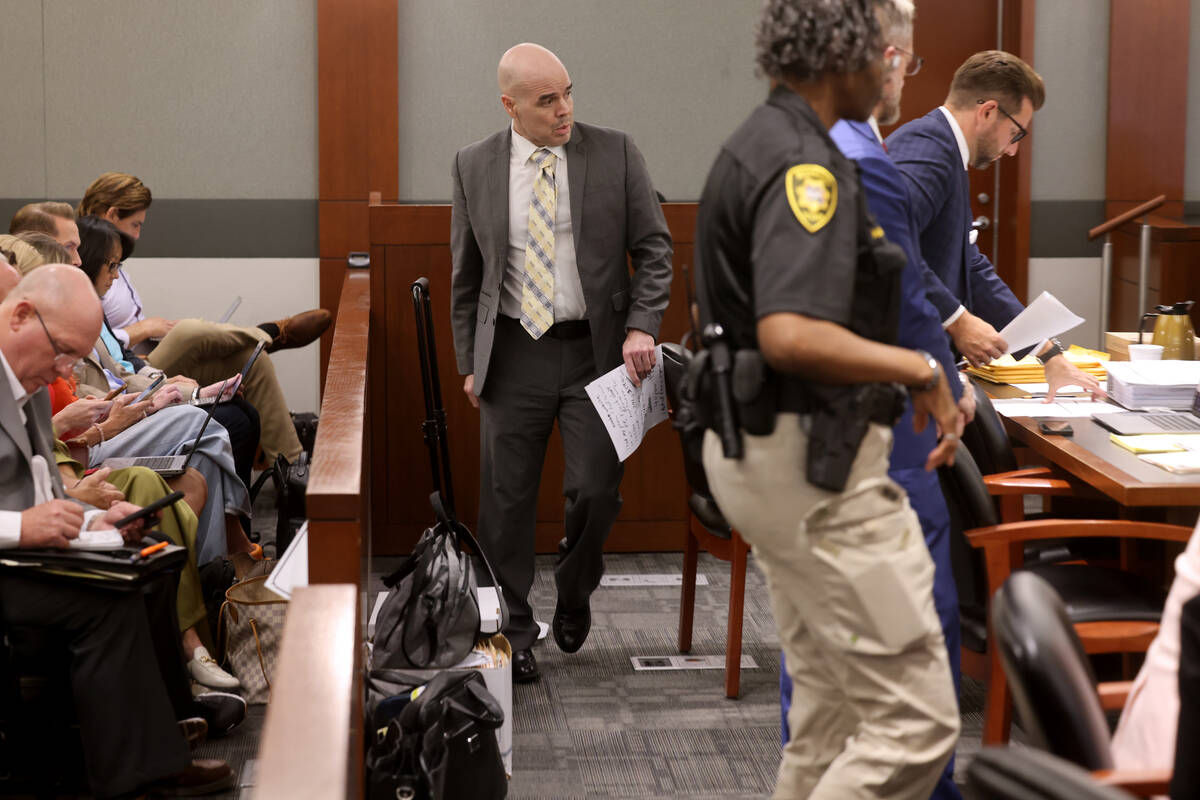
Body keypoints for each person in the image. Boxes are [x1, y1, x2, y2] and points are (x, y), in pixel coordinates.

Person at [694, 0, 960, 796]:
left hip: (768, 449)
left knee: (830, 714)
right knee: (918, 722)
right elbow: (790, 333)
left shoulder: (765, 139)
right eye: (884, 55)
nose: (893, 70)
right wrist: (920, 367)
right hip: (804, 461)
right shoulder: (802, 164)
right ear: (844, 56)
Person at [450, 42, 673, 682]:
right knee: (505, 502)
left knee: (597, 492)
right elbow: (467, 277)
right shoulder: (474, 165)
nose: (564, 109)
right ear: (510, 105)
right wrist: (471, 361)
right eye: (547, 100)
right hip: (514, 351)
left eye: (569, 92)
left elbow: (655, 250)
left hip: (597, 355)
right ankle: (515, 632)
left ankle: (574, 593)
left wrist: (641, 326)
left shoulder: (616, 152)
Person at [0, 263, 235, 797]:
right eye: (62, 352)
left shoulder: (30, 384)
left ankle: (163, 743)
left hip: (28, 551)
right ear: (19, 316)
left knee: (149, 562)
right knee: (106, 597)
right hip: (10, 554)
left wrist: (94, 519)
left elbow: (46, 495)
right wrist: (22, 525)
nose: (63, 370)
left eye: (73, 357)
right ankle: (130, 772)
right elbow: (28, 512)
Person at [886, 50, 1102, 401]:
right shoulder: (929, 151)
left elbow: (971, 267)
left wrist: (1048, 353)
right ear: (988, 112)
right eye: (1016, 133)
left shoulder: (947, 153)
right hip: (899, 369)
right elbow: (887, 244)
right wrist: (958, 320)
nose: (1013, 150)